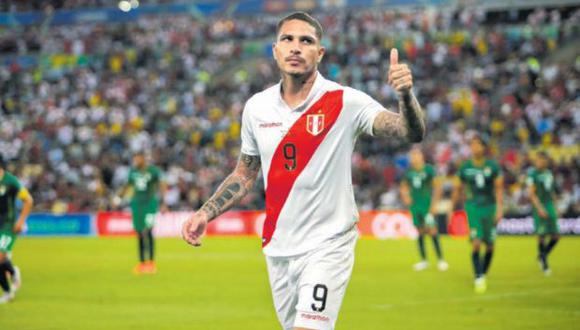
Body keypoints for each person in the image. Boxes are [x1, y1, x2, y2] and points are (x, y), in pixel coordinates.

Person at [182, 12, 425, 330]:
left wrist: (405, 95)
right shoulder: (257, 107)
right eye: (288, 39)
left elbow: (410, 132)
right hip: (279, 248)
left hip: (328, 244)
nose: (295, 47)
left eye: (306, 41)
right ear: (275, 50)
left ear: (319, 53)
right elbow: (245, 172)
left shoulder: (344, 101)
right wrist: (206, 212)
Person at [453, 135, 503, 294]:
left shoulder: (493, 166)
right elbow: (458, 187)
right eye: (472, 145)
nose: (474, 148)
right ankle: (479, 276)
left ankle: (483, 272)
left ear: (484, 147)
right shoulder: (465, 167)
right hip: (473, 206)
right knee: (476, 242)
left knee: (490, 245)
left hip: (490, 207)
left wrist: (500, 208)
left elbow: (499, 189)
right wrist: (453, 207)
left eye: (477, 145)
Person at [400, 148, 447, 271]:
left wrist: (434, 205)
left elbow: (438, 188)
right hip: (415, 207)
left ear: (421, 157)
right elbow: (403, 187)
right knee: (420, 232)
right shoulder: (409, 172)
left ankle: (441, 260)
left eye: (416, 155)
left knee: (432, 231)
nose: (414, 158)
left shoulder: (429, 170)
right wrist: (406, 197)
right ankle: (424, 261)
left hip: (426, 206)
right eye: (412, 156)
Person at [122, 152, 167, 274]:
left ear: (143, 159)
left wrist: (163, 203)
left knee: (148, 230)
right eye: (134, 158)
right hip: (137, 205)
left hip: (150, 205)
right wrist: (119, 197)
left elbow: (162, 185)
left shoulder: (153, 171)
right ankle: (142, 263)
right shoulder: (132, 172)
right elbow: (127, 186)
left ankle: (151, 263)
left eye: (137, 158)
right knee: (139, 233)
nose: (135, 160)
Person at [0, 156, 33, 303]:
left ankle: (11, 281)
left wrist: (20, 221)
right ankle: (11, 281)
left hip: (8, 224)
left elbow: (28, 200)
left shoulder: (10, 181)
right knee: (1, 260)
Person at [527, 151, 559, 276]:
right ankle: (544, 264)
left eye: (543, 160)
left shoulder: (549, 174)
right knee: (541, 235)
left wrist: (556, 207)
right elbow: (531, 193)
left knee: (556, 236)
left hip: (549, 205)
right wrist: (539, 208)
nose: (540, 162)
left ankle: (542, 255)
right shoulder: (532, 174)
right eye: (538, 160)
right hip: (539, 206)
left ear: (546, 161)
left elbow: (552, 192)